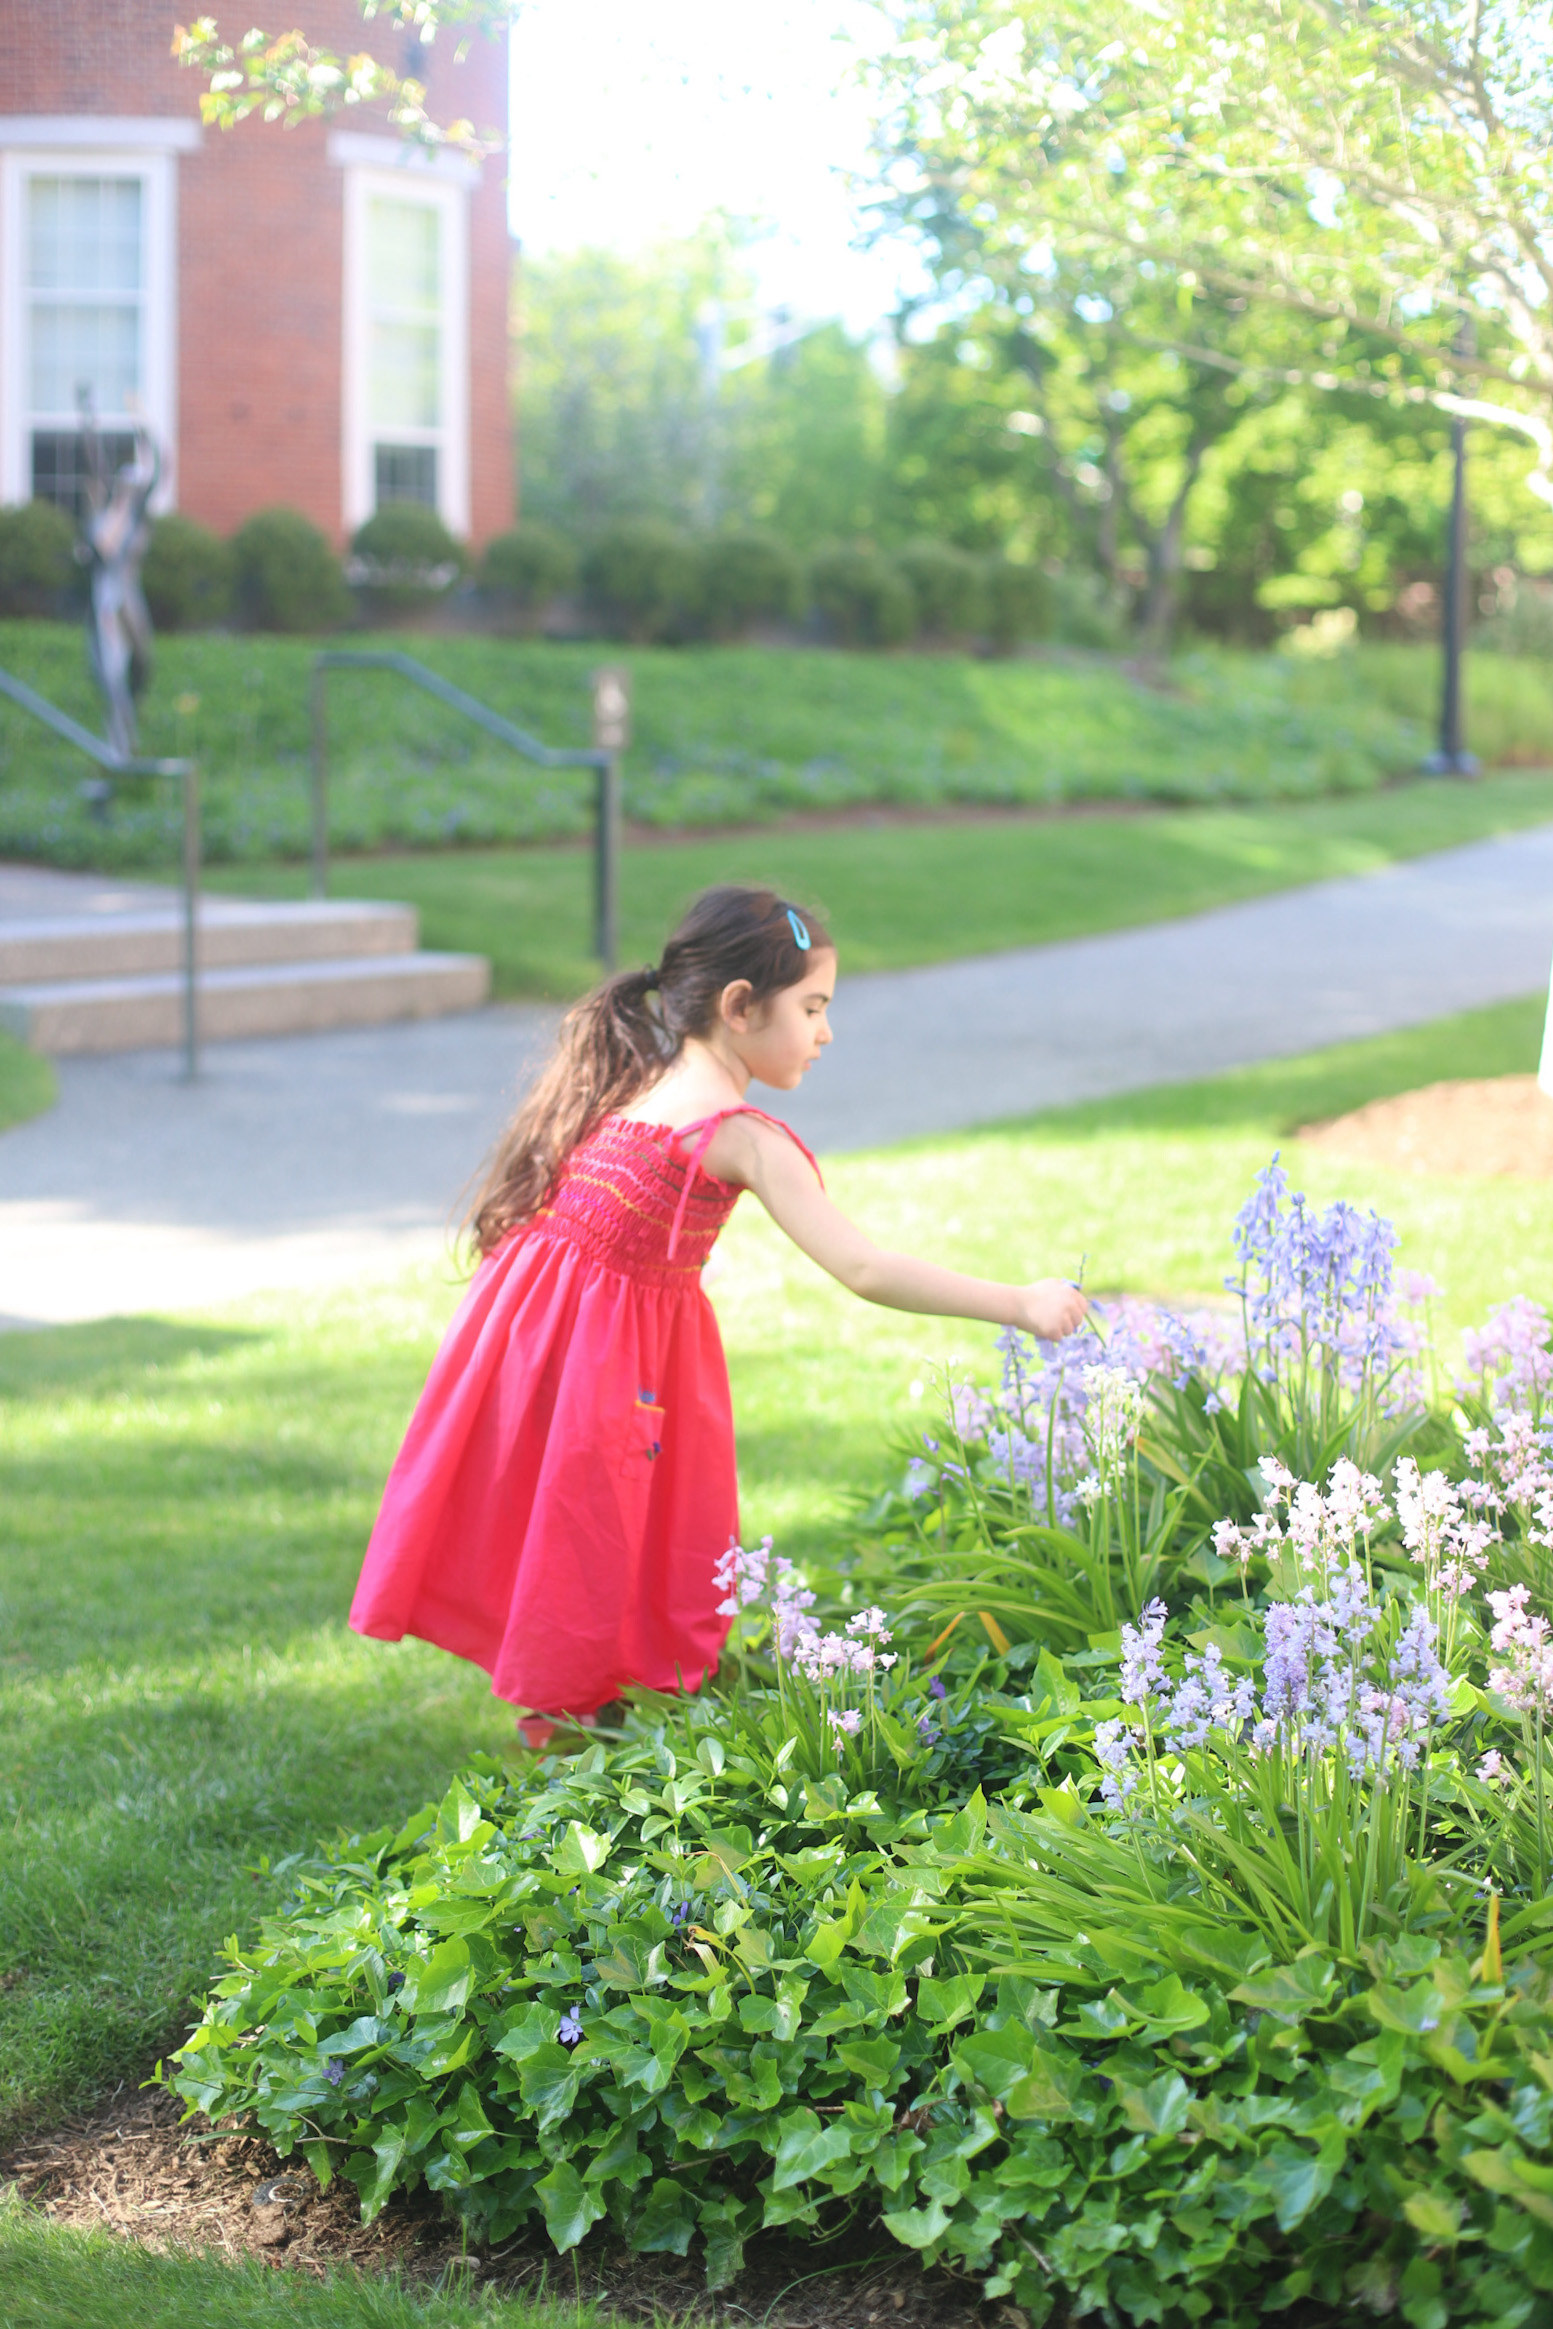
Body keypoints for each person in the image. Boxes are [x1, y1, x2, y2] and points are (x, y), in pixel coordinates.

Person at [349, 884, 1088, 1743]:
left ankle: (576, 1736)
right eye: (811, 1007)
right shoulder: (735, 1133)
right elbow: (862, 1265)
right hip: (608, 1379)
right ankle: (577, 1748)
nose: (825, 1032)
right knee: (601, 1555)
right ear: (740, 1007)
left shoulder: (634, 1086)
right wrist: (1020, 1303)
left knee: (585, 1549)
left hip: (552, 1360)